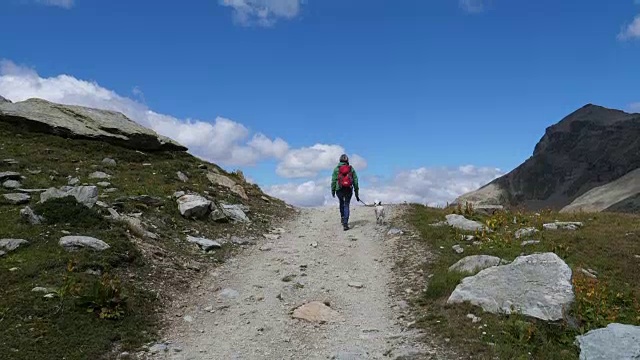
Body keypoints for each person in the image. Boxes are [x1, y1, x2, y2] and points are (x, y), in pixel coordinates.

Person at [331, 154, 360, 231]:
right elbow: (356, 181)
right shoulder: (351, 169)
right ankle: (345, 223)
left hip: (339, 189)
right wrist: (356, 193)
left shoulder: (336, 169)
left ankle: (342, 217)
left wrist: (333, 191)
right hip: (348, 189)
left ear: (340, 160)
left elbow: (333, 181)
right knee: (346, 204)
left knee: (341, 202)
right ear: (347, 161)